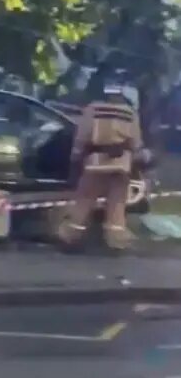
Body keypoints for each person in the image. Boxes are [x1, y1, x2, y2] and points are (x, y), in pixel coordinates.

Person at [59, 80, 146, 251]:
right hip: (121, 164)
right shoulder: (130, 113)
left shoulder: (93, 109)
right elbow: (136, 142)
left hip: (96, 162)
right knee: (117, 203)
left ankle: (71, 237)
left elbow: (82, 135)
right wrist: (137, 161)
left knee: (84, 200)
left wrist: (75, 157)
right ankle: (115, 241)